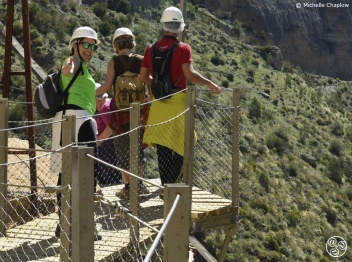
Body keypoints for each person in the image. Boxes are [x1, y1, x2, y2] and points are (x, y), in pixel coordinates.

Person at [139, 6, 222, 190]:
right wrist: (210, 84)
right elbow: (190, 75)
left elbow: (143, 78)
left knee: (163, 149)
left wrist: (159, 86)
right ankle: (172, 187)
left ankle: (166, 187)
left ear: (163, 26)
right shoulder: (183, 48)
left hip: (158, 106)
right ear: (180, 28)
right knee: (184, 145)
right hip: (178, 105)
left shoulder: (150, 49)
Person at [50, 26, 102, 240]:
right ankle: (86, 224)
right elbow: (69, 67)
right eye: (85, 44)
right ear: (75, 45)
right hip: (80, 121)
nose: (89, 49)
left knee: (66, 173)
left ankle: (64, 223)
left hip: (63, 120)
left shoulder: (85, 70)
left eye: (93, 46)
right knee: (89, 172)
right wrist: (67, 68)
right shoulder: (74, 63)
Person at [96, 27, 150, 199]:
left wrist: (91, 94)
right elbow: (148, 84)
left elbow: (106, 87)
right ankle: (140, 185)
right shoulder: (141, 60)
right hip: (139, 112)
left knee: (122, 151)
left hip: (119, 113)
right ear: (132, 43)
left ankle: (127, 188)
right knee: (138, 149)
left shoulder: (114, 62)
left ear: (116, 45)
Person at [95, 84, 121, 184]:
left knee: (110, 179)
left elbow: (111, 128)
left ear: (97, 99)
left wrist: (98, 141)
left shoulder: (105, 108)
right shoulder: (110, 103)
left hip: (109, 148)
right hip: (113, 146)